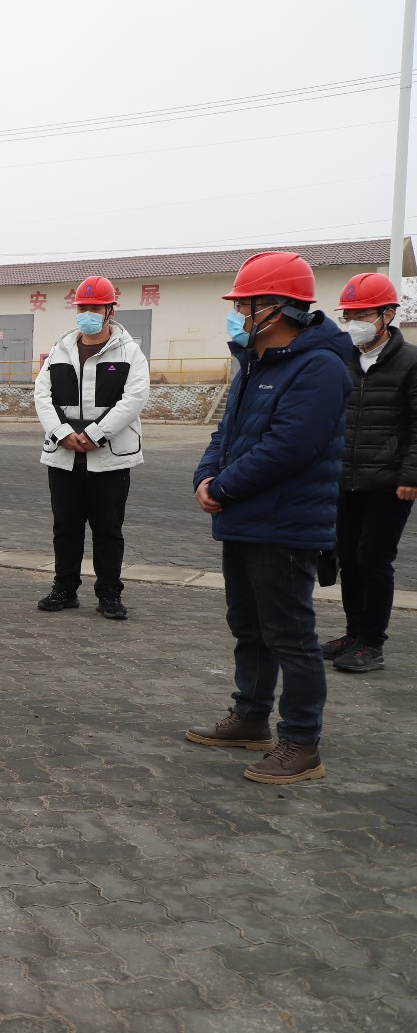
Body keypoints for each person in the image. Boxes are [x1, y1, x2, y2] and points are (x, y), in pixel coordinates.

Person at [187, 251, 353, 785]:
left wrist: (223, 487)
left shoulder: (318, 367)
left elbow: (289, 447)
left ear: (277, 308)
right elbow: (225, 435)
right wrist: (204, 477)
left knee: (290, 635)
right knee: (249, 627)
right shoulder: (254, 361)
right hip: (244, 518)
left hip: (285, 524)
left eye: (245, 305)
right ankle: (251, 717)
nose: (237, 314)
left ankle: (301, 743)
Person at [32, 276, 150, 620]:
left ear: (111, 310)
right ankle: (65, 588)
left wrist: (96, 434)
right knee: (65, 527)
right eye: (82, 307)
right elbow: (42, 395)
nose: (87, 313)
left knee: (108, 529)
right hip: (64, 454)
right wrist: (61, 433)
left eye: (95, 307)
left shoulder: (129, 352)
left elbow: (134, 399)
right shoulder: (60, 350)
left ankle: (109, 593)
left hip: (109, 457)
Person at [323, 272, 417, 674]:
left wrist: (410, 475)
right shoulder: (342, 359)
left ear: (387, 315)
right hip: (344, 478)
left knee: (373, 561)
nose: (354, 323)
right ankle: (353, 633)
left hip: (389, 483)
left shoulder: (410, 361)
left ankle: (371, 643)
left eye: (362, 315)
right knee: (347, 557)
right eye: (348, 315)